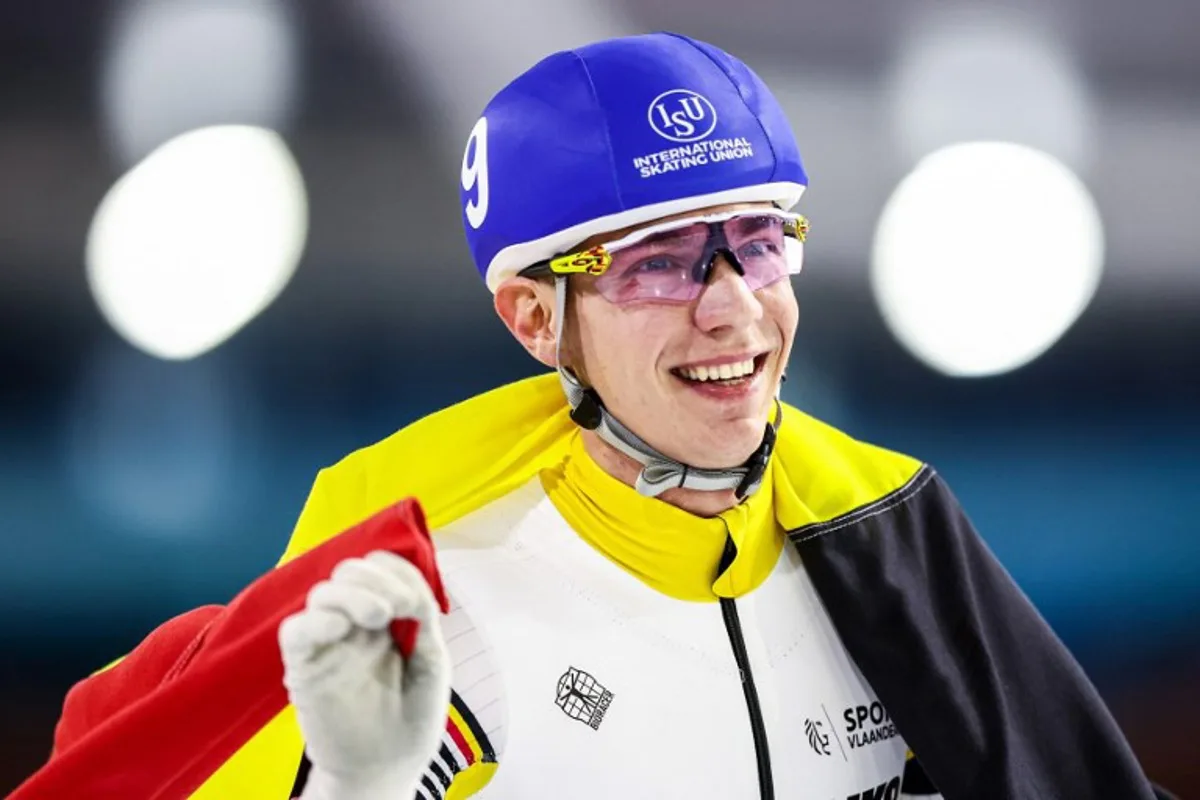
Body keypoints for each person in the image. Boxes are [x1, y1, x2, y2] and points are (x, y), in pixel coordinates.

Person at [32, 31, 1170, 800]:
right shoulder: (443, 605)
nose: (733, 307)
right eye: (662, 263)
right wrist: (357, 783)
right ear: (535, 318)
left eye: (760, 241)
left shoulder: (890, 560)